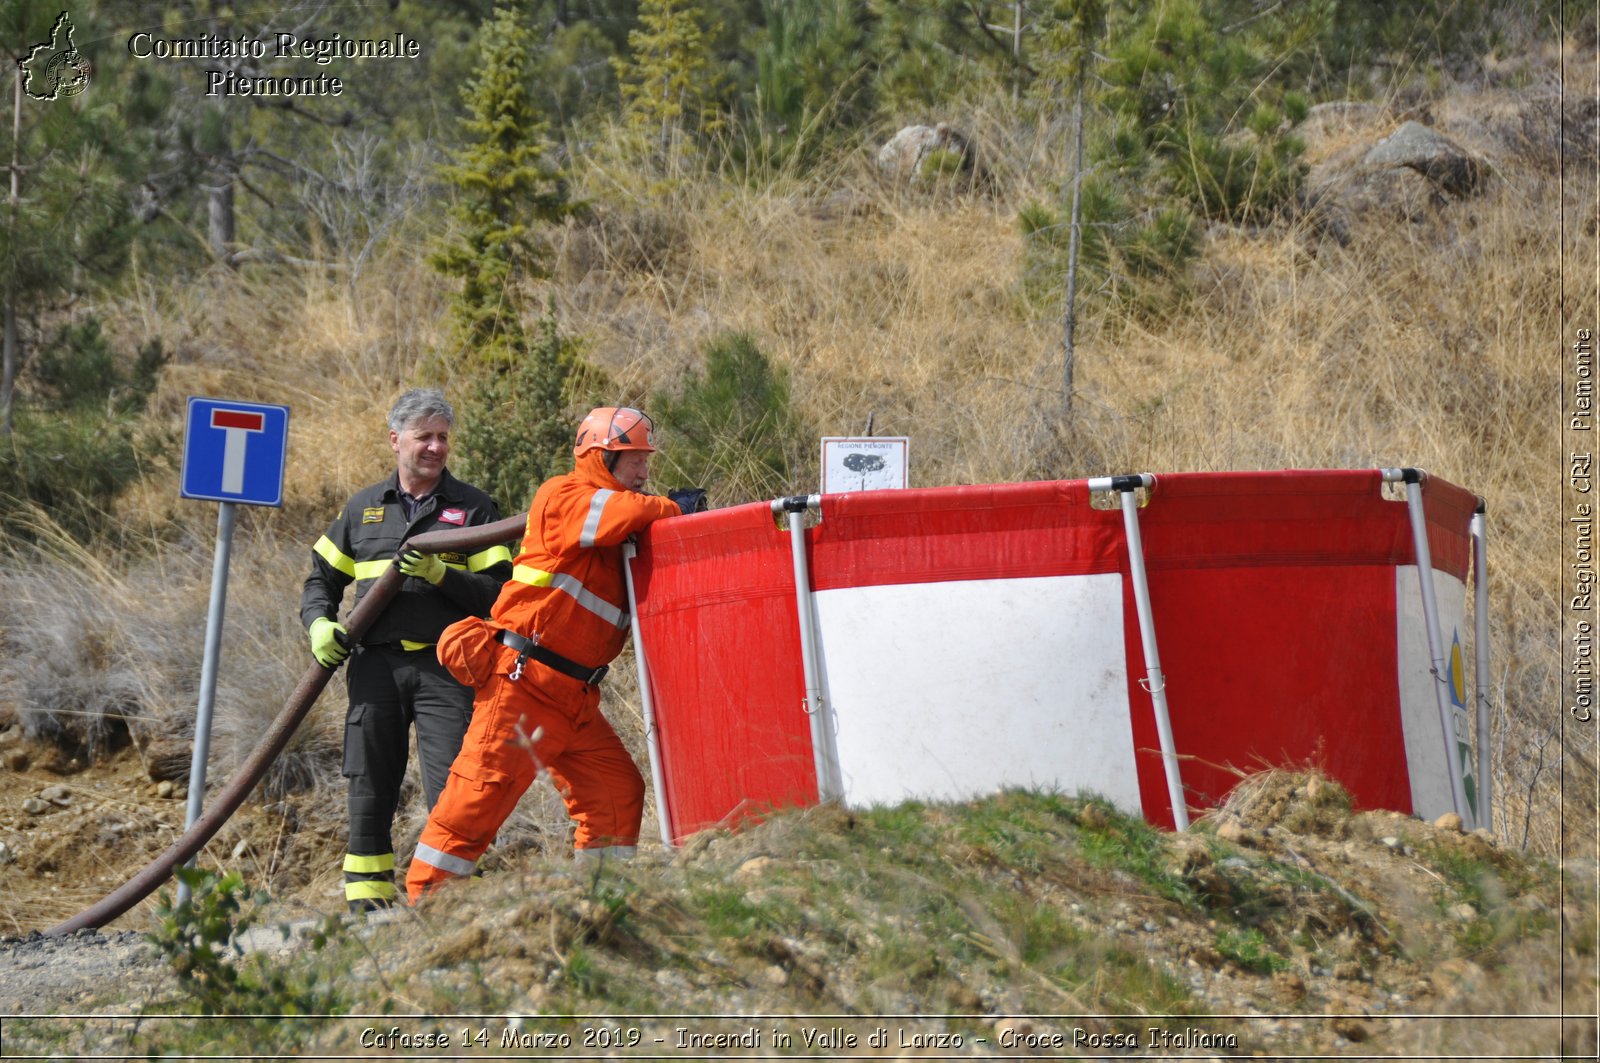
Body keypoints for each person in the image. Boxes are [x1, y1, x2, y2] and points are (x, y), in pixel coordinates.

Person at [405, 406, 703, 901]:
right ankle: (425, 911)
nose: (644, 472)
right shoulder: (566, 495)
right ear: (602, 456)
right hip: (523, 685)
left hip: (574, 697)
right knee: (473, 805)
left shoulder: (618, 521)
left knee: (615, 793)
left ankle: (599, 903)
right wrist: (672, 510)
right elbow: (620, 514)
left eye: (645, 461)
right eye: (634, 460)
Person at [301, 388, 514, 912]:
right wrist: (320, 626)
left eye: (443, 438)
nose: (436, 447)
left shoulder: (474, 508)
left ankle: (452, 902)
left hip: (447, 670)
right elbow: (318, 581)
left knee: (455, 787)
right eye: (425, 437)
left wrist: (443, 575)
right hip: (375, 667)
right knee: (369, 784)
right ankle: (367, 906)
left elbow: (502, 595)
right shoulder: (363, 510)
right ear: (396, 440)